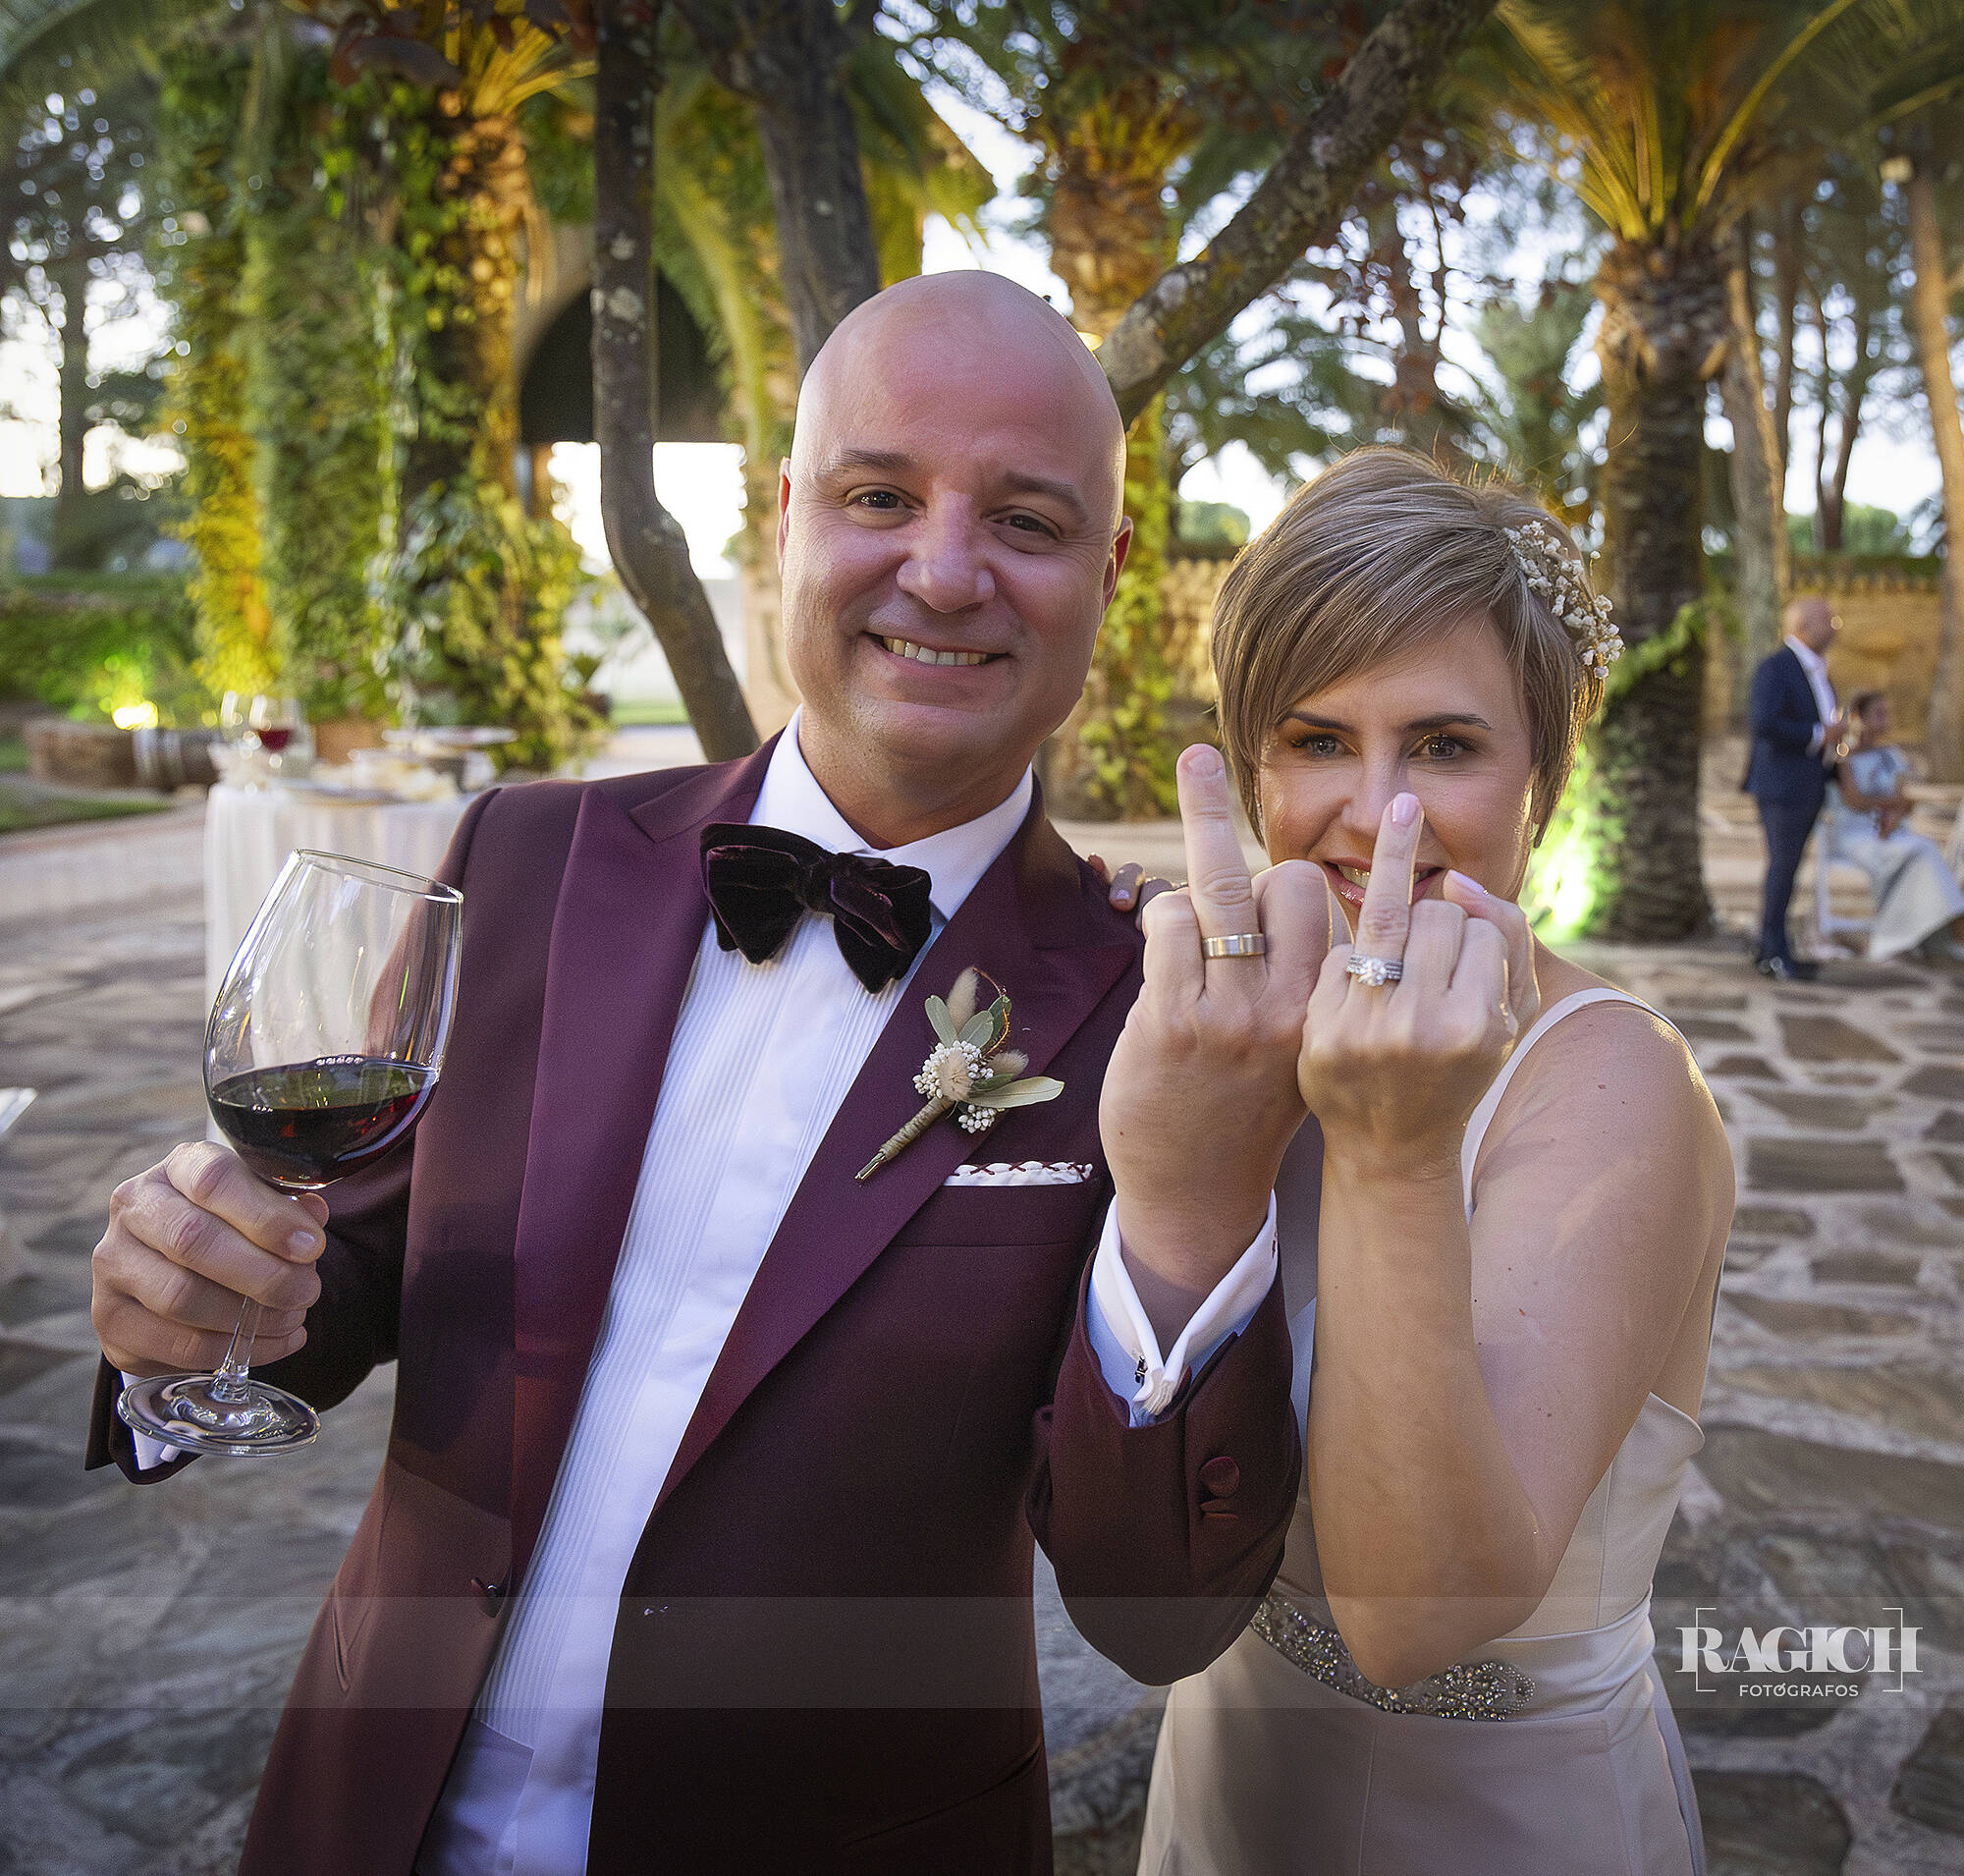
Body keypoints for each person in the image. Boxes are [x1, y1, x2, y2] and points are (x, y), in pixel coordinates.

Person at [82, 272, 1302, 1876]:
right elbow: (338, 1265)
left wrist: (1200, 1198)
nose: (943, 572)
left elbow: (1157, 1610)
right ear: (782, 513)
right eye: (880, 496)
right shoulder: (522, 859)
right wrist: (200, 1302)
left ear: (1110, 571)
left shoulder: (1161, 1009)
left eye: (1025, 519)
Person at [1097, 449, 1734, 1874]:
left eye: (1444, 745)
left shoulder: (1611, 1077)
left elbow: (1413, 1614)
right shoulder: (1228, 1029)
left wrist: (1391, 1155)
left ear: (1541, 781)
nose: (1377, 812)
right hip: (1229, 1770)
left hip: (1501, 1820)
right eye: (1317, 739)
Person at [1744, 596, 1846, 981]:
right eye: (1827, 619)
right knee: (1782, 868)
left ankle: (1775, 948)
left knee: (1788, 868)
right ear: (1803, 625)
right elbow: (1764, 723)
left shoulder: (1819, 670)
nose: (1836, 625)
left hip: (1807, 784)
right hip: (1781, 786)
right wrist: (1822, 734)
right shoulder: (1777, 667)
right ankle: (1772, 952)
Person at [1826, 690, 1964, 964]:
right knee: (1923, 852)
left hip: (1890, 831)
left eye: (1886, 714)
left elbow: (1904, 800)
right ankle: (1949, 932)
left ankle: (1915, 936)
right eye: (1878, 714)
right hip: (1855, 834)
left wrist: (1894, 816)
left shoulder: (1891, 755)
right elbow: (1855, 801)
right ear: (1857, 718)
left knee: (1919, 855)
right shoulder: (1843, 757)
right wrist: (1889, 806)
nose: (1884, 720)